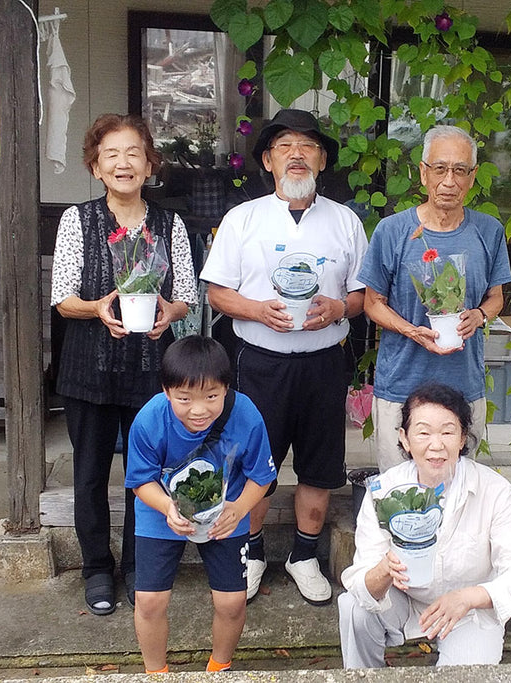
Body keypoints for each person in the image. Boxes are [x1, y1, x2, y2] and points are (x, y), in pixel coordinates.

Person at [199, 109, 368, 606]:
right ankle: (250, 553)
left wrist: (340, 307)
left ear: (321, 160)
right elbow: (216, 293)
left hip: (322, 364)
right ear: (269, 161)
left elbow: (361, 297)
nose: (297, 155)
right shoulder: (243, 219)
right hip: (260, 362)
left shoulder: (345, 221)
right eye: (285, 147)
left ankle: (304, 555)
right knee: (255, 465)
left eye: (308, 146)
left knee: (319, 467)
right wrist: (255, 308)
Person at [50, 113, 198, 616]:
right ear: (95, 166)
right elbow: (62, 299)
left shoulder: (169, 224)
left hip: (150, 370)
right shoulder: (78, 220)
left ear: (149, 163)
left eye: (133, 153)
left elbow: (188, 297)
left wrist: (167, 312)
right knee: (89, 473)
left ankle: (138, 566)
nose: (122, 163)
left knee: (147, 474)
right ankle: (97, 568)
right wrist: (96, 308)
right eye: (110, 155)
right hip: (87, 369)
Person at [338, 382, 511, 668]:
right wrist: (384, 569)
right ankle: (364, 676)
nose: (436, 445)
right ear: (405, 439)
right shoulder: (384, 491)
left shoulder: (494, 490)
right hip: (404, 601)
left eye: (447, 432)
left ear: (462, 438)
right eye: (423, 432)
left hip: (468, 612)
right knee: (354, 606)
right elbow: (361, 577)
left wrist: (469, 597)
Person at [357, 125, 511, 472]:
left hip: (464, 385)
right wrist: (412, 331)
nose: (449, 181)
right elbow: (372, 303)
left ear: (472, 177)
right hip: (401, 386)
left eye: (460, 170)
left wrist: (480, 316)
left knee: (458, 490)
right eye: (440, 169)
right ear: (423, 174)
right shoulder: (393, 231)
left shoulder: (488, 231)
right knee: (400, 490)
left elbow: (496, 297)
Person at [124, 336, 276, 673]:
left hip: (225, 511)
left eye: (211, 396)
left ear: (225, 389)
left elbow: (261, 476)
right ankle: (156, 673)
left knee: (232, 601)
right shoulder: (149, 420)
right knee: (150, 600)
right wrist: (167, 508)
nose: (198, 409)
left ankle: (219, 668)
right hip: (161, 511)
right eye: (184, 398)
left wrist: (239, 509)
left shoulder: (246, 414)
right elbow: (141, 481)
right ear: (166, 391)